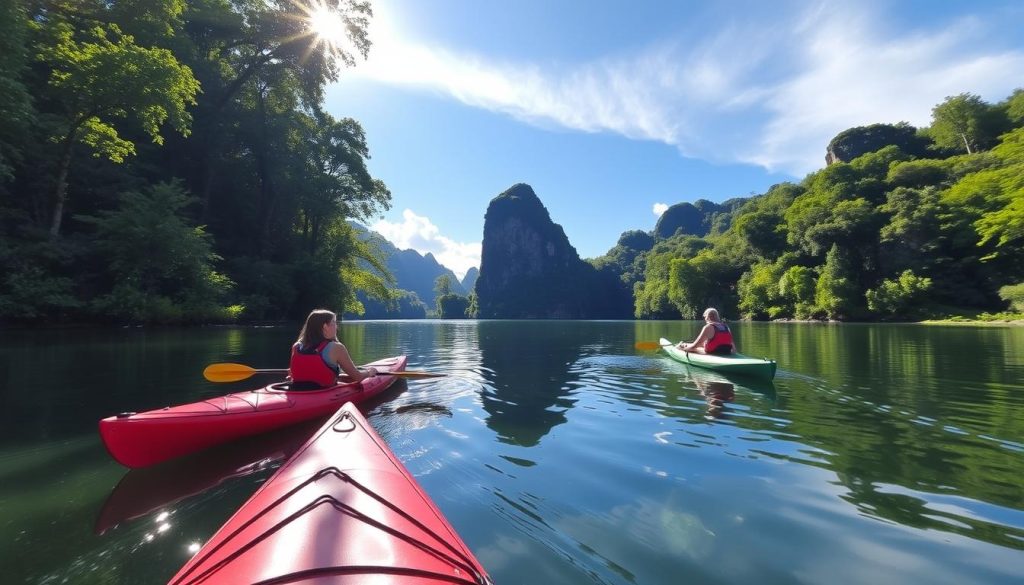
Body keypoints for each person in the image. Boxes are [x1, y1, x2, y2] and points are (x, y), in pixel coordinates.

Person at [289, 309, 378, 389]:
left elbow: (292, 374)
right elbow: (358, 377)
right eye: (334, 322)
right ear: (325, 326)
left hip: (296, 391)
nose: (336, 326)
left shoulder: (297, 346)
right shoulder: (336, 348)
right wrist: (369, 372)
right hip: (322, 393)